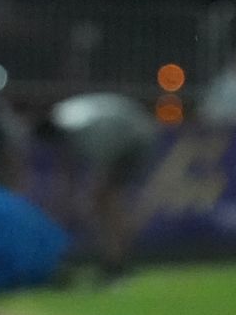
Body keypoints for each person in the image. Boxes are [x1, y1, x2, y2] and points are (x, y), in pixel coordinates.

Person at [45, 92, 160, 278]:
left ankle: (117, 258)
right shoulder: (67, 122)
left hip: (134, 138)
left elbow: (101, 171)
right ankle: (115, 256)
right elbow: (68, 173)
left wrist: (86, 201)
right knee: (104, 203)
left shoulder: (81, 130)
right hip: (131, 131)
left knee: (105, 202)